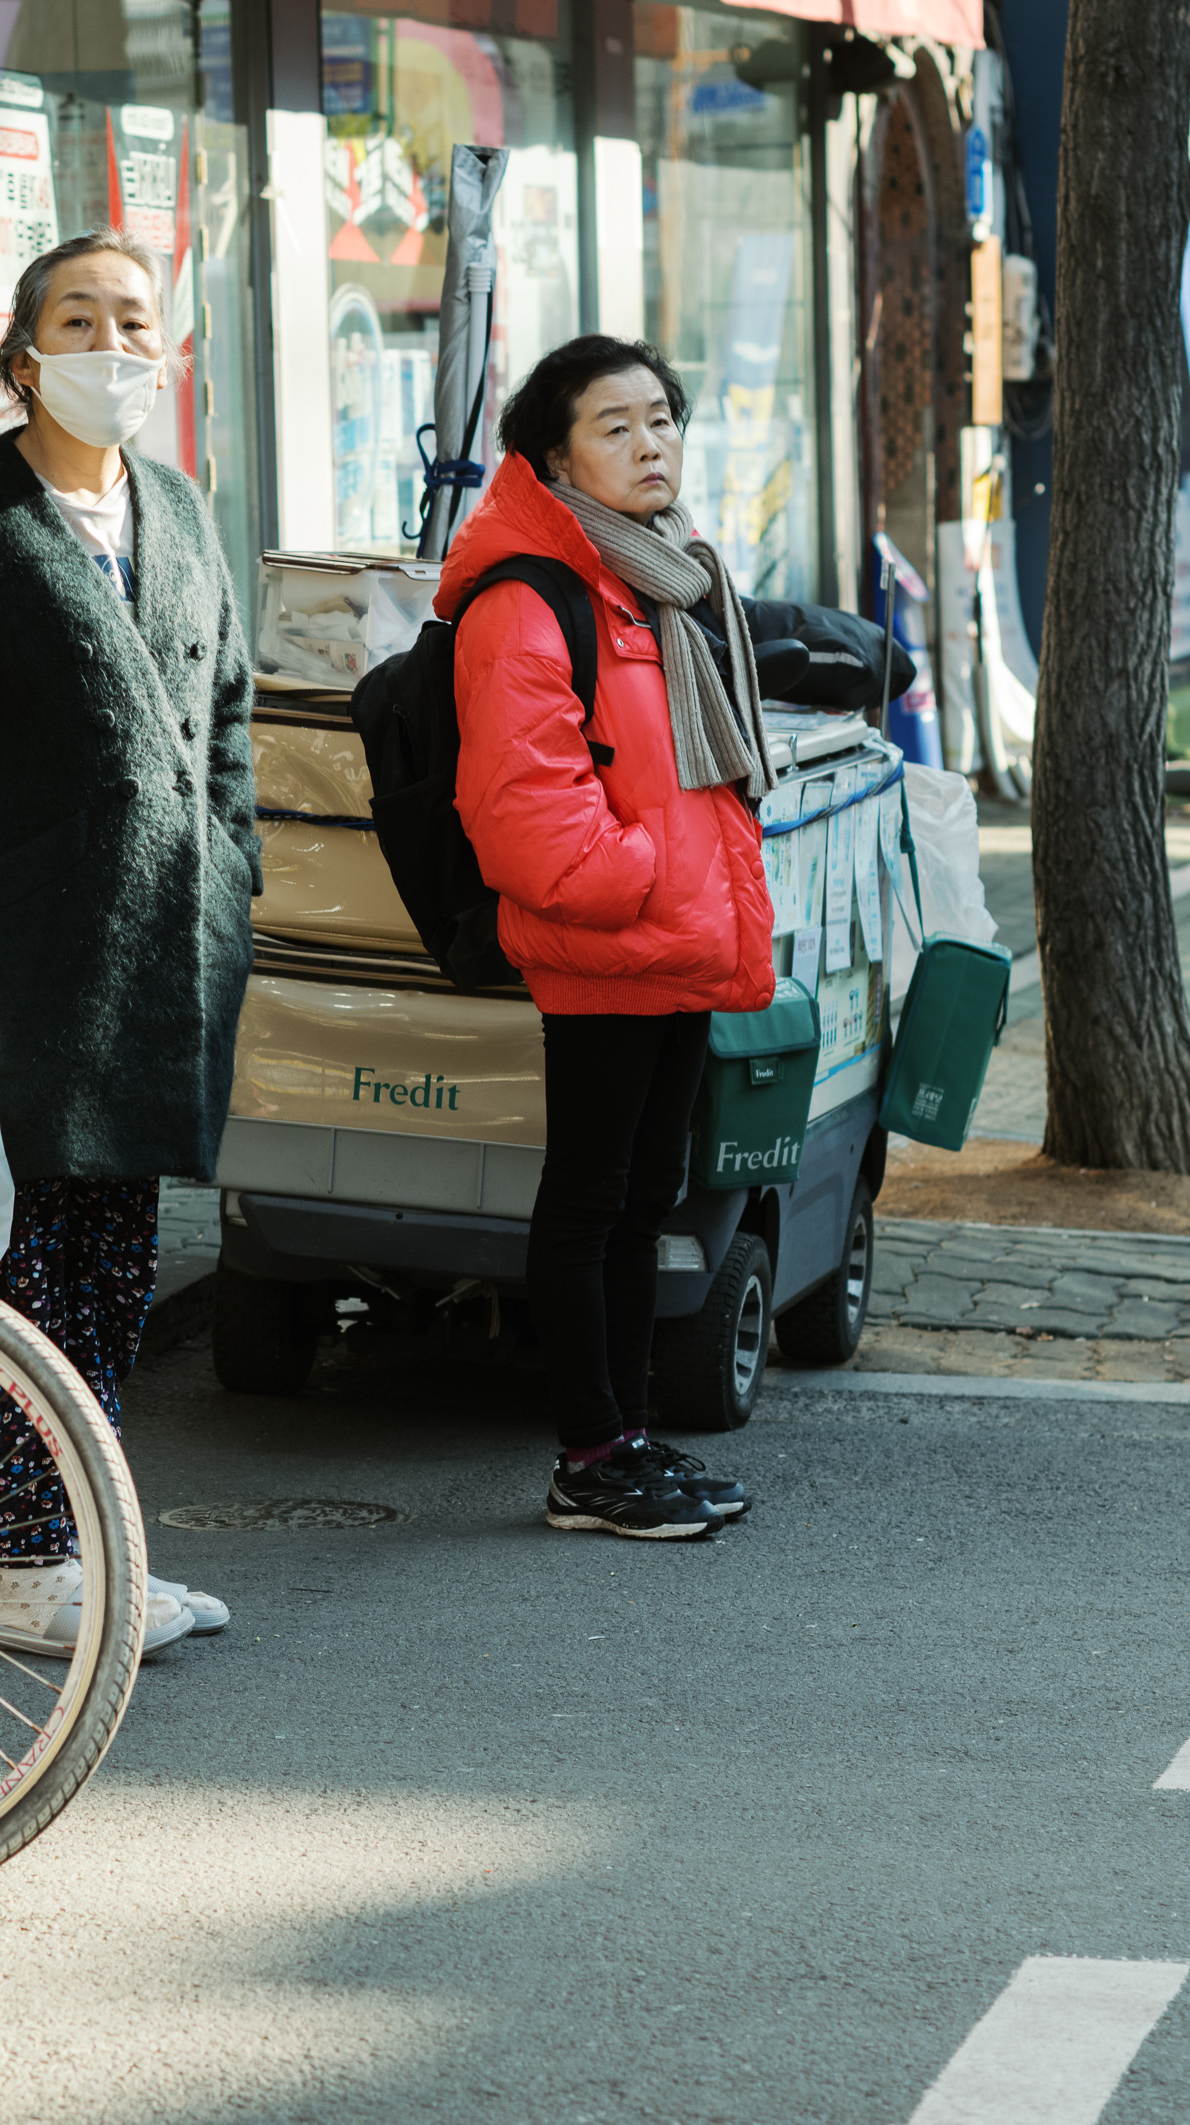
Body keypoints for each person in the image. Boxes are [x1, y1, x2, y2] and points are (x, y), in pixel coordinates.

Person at [0, 229, 253, 1658]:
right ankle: (32, 1568)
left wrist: (233, 868)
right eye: (76, 318)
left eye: (132, 319)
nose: (109, 342)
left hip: (156, 957)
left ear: (166, 349)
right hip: (13, 956)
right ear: (21, 358)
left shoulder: (186, 513)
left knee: (113, 1264)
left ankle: (92, 1553)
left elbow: (229, 727)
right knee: (22, 1274)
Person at [445, 335, 778, 1540]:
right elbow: (524, 810)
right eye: (615, 426)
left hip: (670, 935)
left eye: (661, 420)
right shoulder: (528, 598)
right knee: (590, 1200)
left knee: (643, 1196)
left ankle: (625, 1438)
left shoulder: (661, 578)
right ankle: (588, 1456)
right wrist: (636, 879)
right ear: (553, 457)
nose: (650, 445)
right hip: (610, 938)